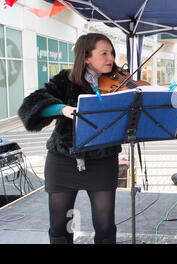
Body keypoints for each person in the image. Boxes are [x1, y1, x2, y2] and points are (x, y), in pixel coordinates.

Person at [18, 33, 122, 244]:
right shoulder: (66, 79)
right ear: (86, 58)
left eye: (111, 52)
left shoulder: (119, 82)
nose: (110, 57)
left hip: (102, 160)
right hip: (63, 160)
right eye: (104, 53)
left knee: (105, 227)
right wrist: (62, 108)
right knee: (60, 226)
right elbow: (31, 105)